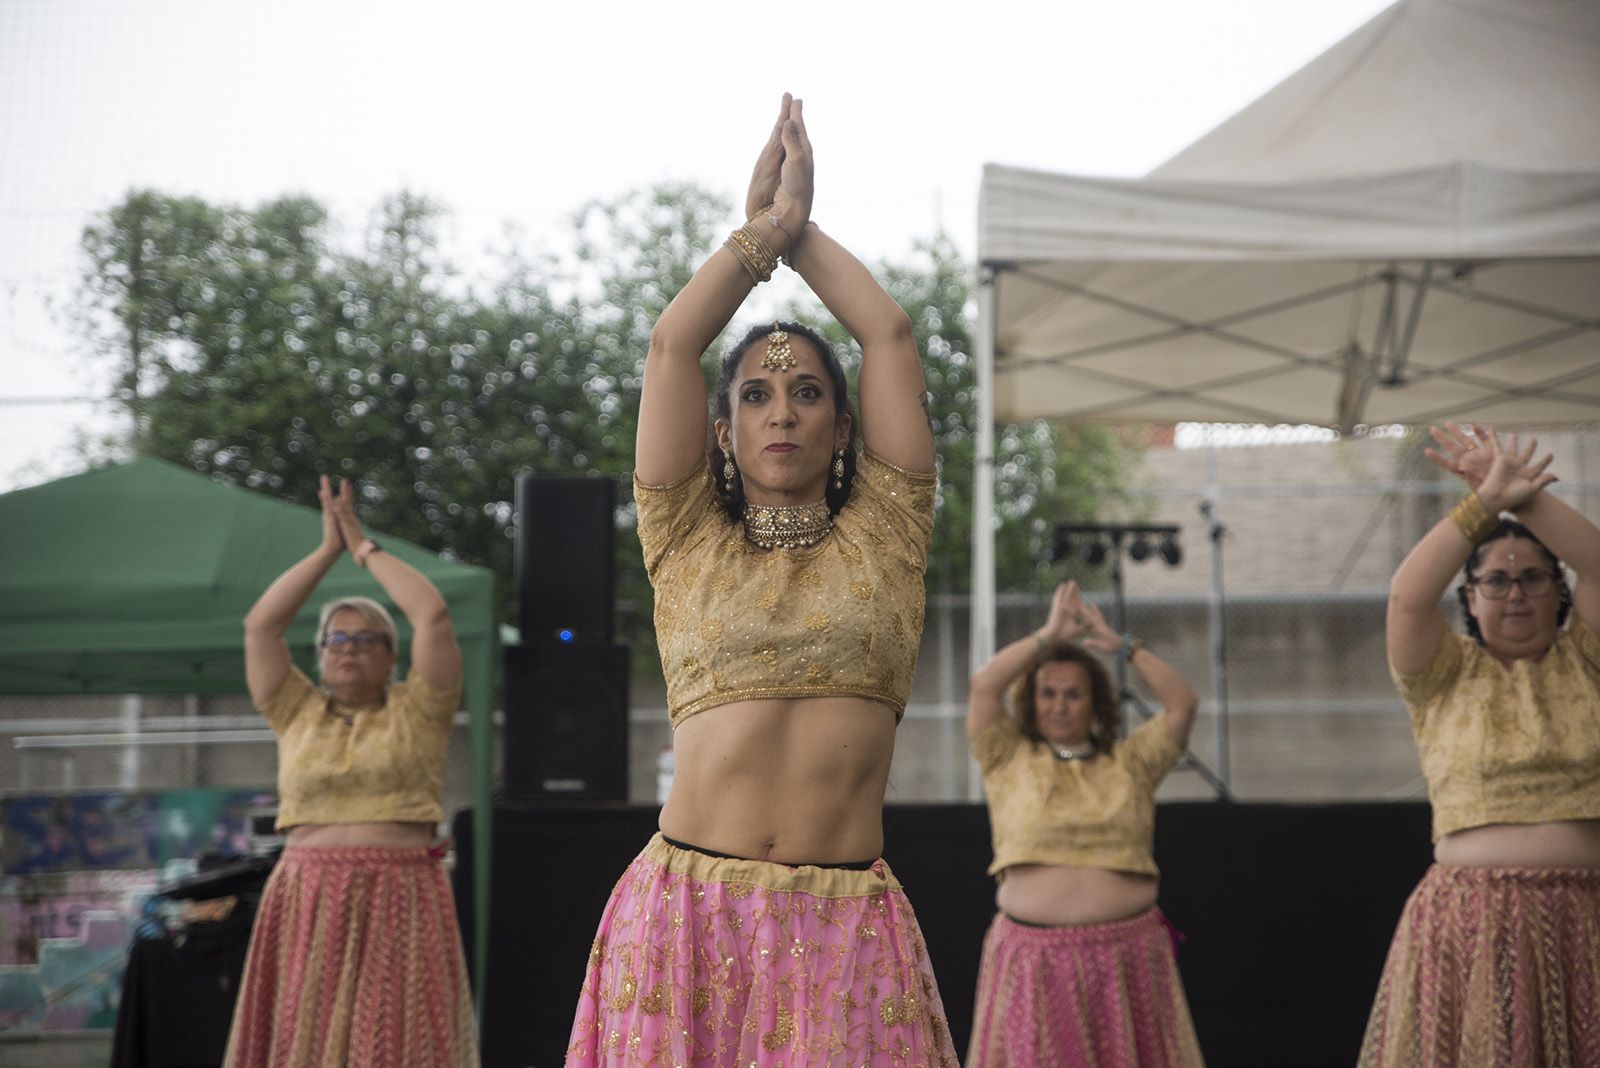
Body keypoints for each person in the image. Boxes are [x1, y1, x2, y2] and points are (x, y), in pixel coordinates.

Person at [565, 94, 956, 1066]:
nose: (782, 411)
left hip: (845, 927)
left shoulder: (887, 533)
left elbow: (893, 338)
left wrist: (802, 233)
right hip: (683, 924)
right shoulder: (684, 535)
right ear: (723, 433)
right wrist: (755, 239)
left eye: (808, 391)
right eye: (756, 395)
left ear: (843, 426)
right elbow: (669, 349)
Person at [1359, 424, 1600, 1068]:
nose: (1515, 592)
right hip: (1470, 926)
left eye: (1533, 578)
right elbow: (1408, 596)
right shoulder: (1443, 673)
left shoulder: (1587, 659)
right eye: (1495, 581)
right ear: (1469, 598)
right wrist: (1481, 504)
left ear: (1560, 591)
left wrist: (1525, 500)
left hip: (1586, 924)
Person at [223, 475, 477, 1068]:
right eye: (336, 638)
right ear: (320, 655)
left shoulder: (419, 709)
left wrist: (362, 548)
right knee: (302, 1044)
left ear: (392, 656)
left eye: (367, 638)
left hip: (399, 891)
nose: (349, 647)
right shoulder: (297, 710)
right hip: (307, 893)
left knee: (395, 1044)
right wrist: (325, 552)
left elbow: (432, 614)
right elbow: (261, 627)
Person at [965, 581, 1204, 1067]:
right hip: (1033, 964)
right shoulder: (1007, 757)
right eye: (1047, 693)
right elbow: (985, 686)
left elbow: (1183, 704)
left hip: (1125, 960)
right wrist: (1049, 635)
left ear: (1095, 704)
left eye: (1073, 694)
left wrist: (1125, 647)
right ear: (1031, 702)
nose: (1058, 704)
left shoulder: (1130, 763)